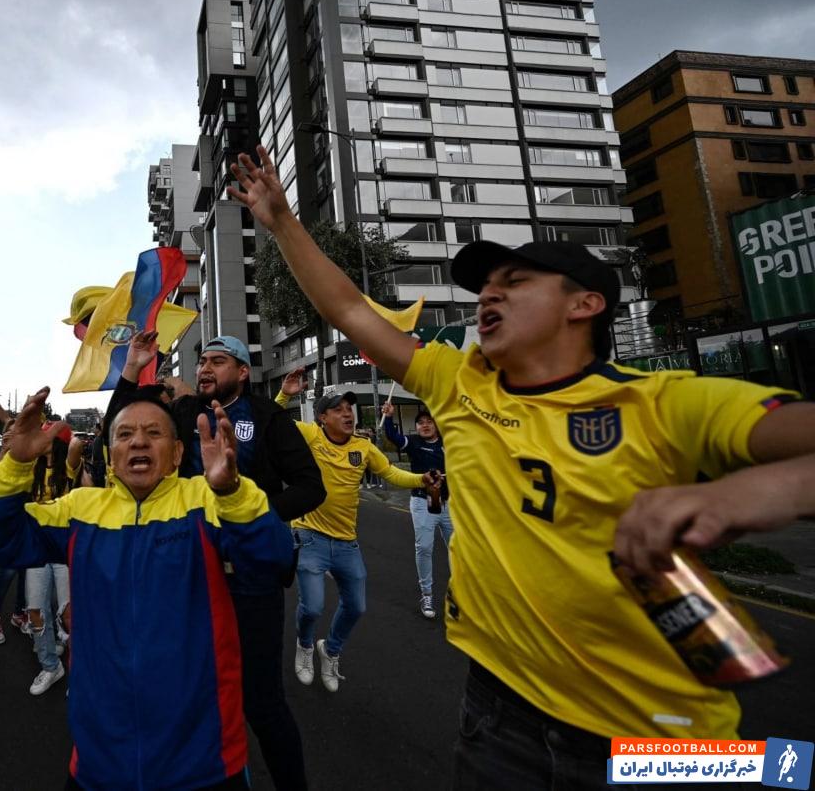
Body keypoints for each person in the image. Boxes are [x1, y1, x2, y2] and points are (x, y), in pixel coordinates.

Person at [228, 144, 815, 786]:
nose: (487, 297)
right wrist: (281, 220)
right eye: (484, 287)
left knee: (785, 771)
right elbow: (347, 311)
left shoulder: (658, 401)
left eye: (514, 283)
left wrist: (732, 500)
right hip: (498, 721)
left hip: (657, 743)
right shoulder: (458, 384)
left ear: (584, 304)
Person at [0, 388, 294, 790]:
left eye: (153, 433)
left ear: (178, 453)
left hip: (205, 761)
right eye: (124, 435)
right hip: (101, 763)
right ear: (111, 455)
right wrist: (16, 463)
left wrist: (232, 492)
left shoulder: (207, 499)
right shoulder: (81, 508)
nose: (138, 441)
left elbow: (275, 560)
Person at [106, 331, 325, 790]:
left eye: (219, 361)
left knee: (261, 703)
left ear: (243, 372)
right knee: (190, 691)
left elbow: (310, 486)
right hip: (188, 575)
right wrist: (131, 370)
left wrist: (250, 514)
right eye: (202, 361)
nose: (205, 368)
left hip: (251, 581)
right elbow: (122, 425)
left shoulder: (268, 418)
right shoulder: (183, 414)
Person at [272, 383, 435, 692]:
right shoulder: (311, 435)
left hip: (347, 542)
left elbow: (390, 474)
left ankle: (330, 650)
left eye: (350, 409)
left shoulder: (364, 447)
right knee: (313, 607)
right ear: (322, 417)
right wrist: (285, 393)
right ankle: (305, 645)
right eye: (338, 410)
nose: (348, 414)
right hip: (309, 535)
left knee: (357, 606)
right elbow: (272, 418)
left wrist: (421, 480)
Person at [22, 427, 85, 695]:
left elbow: (78, 443)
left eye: (47, 436)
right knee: (35, 611)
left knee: (70, 615)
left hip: (63, 551)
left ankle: (80, 673)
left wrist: (57, 427)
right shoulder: (30, 469)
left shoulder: (67, 468)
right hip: (36, 550)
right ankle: (50, 666)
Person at [381, 400, 452, 619]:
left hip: (450, 504)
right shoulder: (412, 443)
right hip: (423, 502)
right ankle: (427, 594)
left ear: (436, 425)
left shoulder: (449, 443)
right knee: (424, 548)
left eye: (429, 422)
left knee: (458, 551)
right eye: (420, 423)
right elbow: (393, 436)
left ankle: (459, 594)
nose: (424, 426)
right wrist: (389, 417)